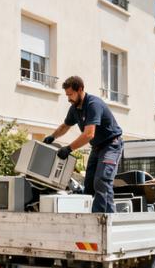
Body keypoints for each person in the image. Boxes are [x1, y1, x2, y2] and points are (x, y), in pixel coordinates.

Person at [43, 76, 123, 213]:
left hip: (111, 145)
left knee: (102, 180)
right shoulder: (74, 109)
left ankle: (104, 218)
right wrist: (52, 136)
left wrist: (68, 149)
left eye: (70, 94)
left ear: (80, 89)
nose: (69, 98)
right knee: (89, 184)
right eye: (67, 95)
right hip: (97, 147)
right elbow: (65, 126)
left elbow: (88, 134)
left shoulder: (93, 104)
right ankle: (91, 215)